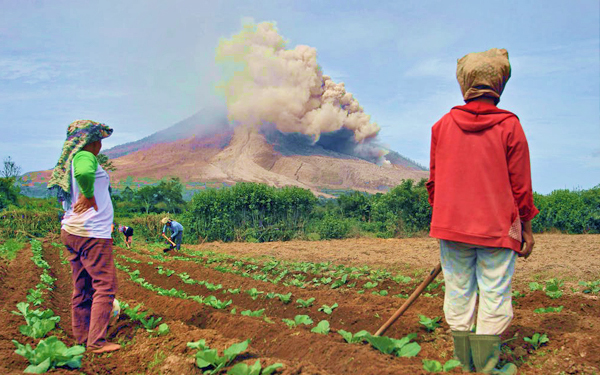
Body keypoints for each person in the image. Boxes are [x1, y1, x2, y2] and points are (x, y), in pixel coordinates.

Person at [426, 48, 538, 374]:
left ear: (464, 83)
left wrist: (449, 220)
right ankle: (486, 368)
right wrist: (526, 228)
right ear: (499, 83)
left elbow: (434, 184)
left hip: (451, 228)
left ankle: (465, 365)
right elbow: (521, 187)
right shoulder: (510, 126)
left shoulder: (441, 126)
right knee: (494, 294)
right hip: (500, 229)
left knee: (458, 292)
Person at [48, 120, 120, 354]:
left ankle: (82, 339)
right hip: (92, 234)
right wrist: (88, 195)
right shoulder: (83, 156)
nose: (100, 145)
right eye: (99, 140)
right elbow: (84, 171)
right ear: (91, 141)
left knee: (82, 287)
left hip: (72, 231)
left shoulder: (69, 159)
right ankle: (97, 341)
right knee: (105, 286)